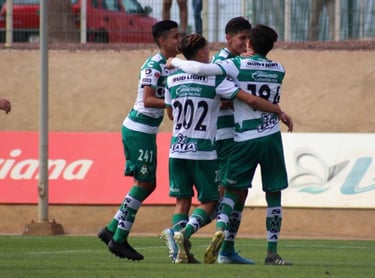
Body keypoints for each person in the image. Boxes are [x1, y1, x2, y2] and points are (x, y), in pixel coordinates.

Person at [168, 24, 294, 265]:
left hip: (241, 138)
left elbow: (199, 70)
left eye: (246, 39)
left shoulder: (234, 65)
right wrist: (278, 111)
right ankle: (269, 251)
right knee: (272, 193)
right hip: (270, 136)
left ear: (249, 43)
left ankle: (212, 236)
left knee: (232, 192)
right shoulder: (279, 68)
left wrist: (174, 62)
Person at [97, 20, 181, 261]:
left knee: (147, 183)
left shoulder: (172, 66)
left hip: (146, 131)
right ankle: (119, 239)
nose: (178, 41)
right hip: (138, 129)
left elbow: (167, 97)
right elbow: (147, 99)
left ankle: (111, 229)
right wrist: (173, 103)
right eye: (175, 37)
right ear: (163, 41)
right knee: (145, 183)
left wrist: (172, 108)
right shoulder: (153, 65)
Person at [210, 16, 255, 265]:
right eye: (241, 38)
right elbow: (218, 96)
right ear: (228, 37)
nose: (245, 43)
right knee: (228, 190)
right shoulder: (222, 62)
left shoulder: (241, 61)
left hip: (241, 134)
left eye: (248, 38)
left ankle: (228, 247)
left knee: (241, 190)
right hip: (225, 134)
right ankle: (220, 247)